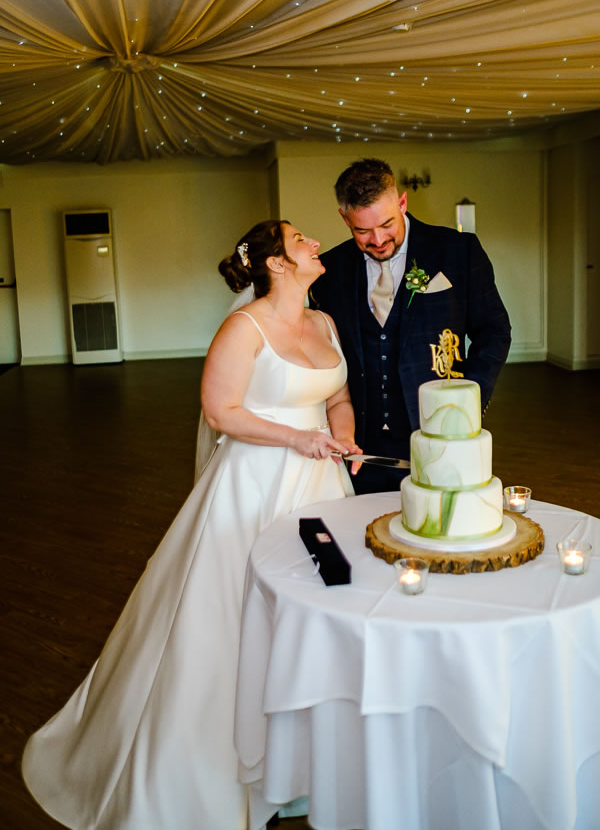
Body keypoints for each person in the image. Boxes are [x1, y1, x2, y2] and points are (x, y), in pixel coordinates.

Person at [22, 219, 360, 830]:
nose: (314, 243)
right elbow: (221, 411)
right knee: (233, 619)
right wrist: (296, 438)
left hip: (322, 487)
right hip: (254, 486)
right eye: (300, 239)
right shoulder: (244, 327)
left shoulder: (325, 322)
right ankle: (215, 773)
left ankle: (303, 769)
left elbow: (336, 397)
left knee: (313, 616)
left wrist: (344, 437)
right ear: (277, 264)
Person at [310, 158, 511, 495]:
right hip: (360, 445)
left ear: (402, 203)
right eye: (362, 231)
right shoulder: (330, 269)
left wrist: (468, 402)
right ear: (345, 218)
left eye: (386, 224)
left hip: (440, 432)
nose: (377, 239)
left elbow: (494, 331)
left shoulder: (458, 251)